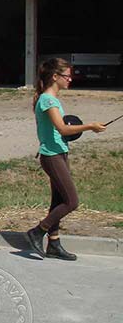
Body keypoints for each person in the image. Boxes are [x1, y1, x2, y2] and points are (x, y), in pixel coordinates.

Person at [26, 58, 106, 260]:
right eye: (67, 76)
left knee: (58, 201)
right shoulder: (47, 100)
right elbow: (62, 128)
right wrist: (89, 126)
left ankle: (54, 243)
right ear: (55, 77)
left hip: (60, 153)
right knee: (72, 201)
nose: (70, 79)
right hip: (51, 156)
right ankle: (37, 231)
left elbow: (63, 129)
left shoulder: (53, 100)